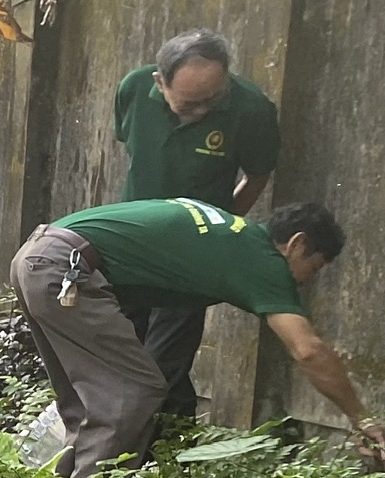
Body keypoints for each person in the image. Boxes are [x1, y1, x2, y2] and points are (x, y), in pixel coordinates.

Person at [10, 198, 383, 478]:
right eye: (312, 269)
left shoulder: (232, 234)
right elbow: (309, 351)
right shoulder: (262, 259)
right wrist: (361, 418)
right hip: (66, 269)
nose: (304, 281)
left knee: (87, 401)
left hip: (40, 256)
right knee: (135, 390)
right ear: (297, 244)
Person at [112, 29, 283, 417]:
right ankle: (151, 444)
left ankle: (157, 458)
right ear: (160, 82)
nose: (202, 112)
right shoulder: (134, 90)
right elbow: (132, 149)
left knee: (164, 362)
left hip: (190, 256)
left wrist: (216, 230)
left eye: (213, 100)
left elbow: (256, 175)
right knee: (119, 353)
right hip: (129, 244)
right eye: (189, 105)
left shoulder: (252, 109)